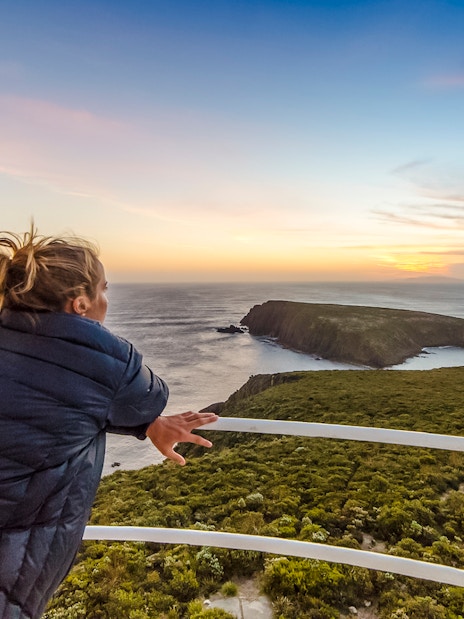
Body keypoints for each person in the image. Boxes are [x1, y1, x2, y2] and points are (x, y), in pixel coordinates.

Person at [0, 226, 218, 619]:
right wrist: (151, 422)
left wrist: (144, 423)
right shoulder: (108, 363)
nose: (106, 300)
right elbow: (150, 397)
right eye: (103, 289)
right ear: (79, 304)